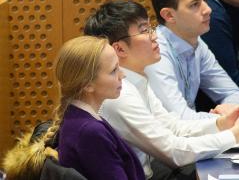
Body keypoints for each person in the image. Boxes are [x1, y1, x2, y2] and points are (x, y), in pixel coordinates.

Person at [84, 0, 239, 180]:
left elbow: (173, 127)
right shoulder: (120, 94)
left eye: (151, 27)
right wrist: (235, 135)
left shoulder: (136, 81)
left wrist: (222, 123)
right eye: (144, 30)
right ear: (120, 49)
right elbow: (172, 152)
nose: (154, 36)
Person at [3, 36, 145, 180]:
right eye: (114, 70)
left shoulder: (78, 118)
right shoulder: (90, 132)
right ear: (87, 84)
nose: (123, 74)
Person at [145, 0, 239, 119]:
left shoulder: (196, 43)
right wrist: (229, 115)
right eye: (195, 4)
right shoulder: (155, 52)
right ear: (169, 15)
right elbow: (179, 118)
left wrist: (236, 109)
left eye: (204, 0)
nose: (208, 9)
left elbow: (233, 92)